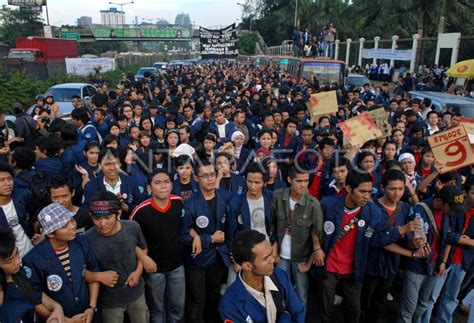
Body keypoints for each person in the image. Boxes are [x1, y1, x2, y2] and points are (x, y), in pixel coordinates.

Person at [316, 170, 410, 323]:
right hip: (329, 268)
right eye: (362, 191)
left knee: (354, 310)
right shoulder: (328, 204)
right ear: (348, 189)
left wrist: (401, 230)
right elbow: (314, 228)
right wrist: (316, 248)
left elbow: (377, 238)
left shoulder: (372, 212)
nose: (367, 196)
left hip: (354, 271)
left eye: (369, 191)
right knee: (325, 309)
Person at [361, 169, 429, 323]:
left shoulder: (405, 208)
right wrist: (404, 234)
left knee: (379, 304)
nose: (397, 193)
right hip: (370, 265)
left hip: (391, 266)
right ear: (383, 188)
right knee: (363, 304)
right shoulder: (371, 208)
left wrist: (415, 243)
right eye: (392, 189)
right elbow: (377, 240)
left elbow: (408, 239)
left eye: (400, 189)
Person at [398, 184, 464, 323]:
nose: (453, 211)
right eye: (451, 207)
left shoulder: (448, 215)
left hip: (433, 266)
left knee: (422, 305)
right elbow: (409, 239)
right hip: (416, 266)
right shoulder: (419, 210)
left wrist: (443, 262)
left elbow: (449, 238)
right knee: (408, 309)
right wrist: (413, 244)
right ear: (441, 201)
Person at [22, 203, 100, 321]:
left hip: (87, 315)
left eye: (72, 220)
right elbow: (36, 299)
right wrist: (67, 321)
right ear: (50, 233)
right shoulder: (33, 260)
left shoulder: (83, 243)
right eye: (64, 226)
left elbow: (94, 273)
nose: (72, 226)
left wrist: (91, 307)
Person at [130, 169, 186, 323]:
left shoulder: (178, 202)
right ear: (149, 188)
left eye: (166, 182)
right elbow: (129, 238)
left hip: (177, 266)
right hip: (154, 269)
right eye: (157, 183)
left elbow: (184, 227)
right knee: (157, 310)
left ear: (171, 185)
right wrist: (143, 258)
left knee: (177, 308)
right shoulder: (141, 210)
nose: (163, 186)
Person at [180, 160, 233, 323]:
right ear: (196, 178)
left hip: (220, 258)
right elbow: (183, 235)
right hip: (198, 259)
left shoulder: (227, 197)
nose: (210, 179)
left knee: (214, 295)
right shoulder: (189, 204)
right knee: (197, 299)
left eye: (212, 174)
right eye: (205, 175)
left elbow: (234, 228)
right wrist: (209, 238)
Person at [86, 191, 149, 323]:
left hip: (136, 294)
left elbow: (143, 249)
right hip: (109, 301)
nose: (102, 224)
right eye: (97, 219)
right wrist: (99, 277)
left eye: (108, 218)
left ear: (118, 214)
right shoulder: (86, 239)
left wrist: (138, 272)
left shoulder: (133, 227)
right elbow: (80, 271)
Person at [219, 230, 305, 323]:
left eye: (271, 254)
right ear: (247, 266)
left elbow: (298, 313)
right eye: (266, 258)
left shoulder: (280, 276)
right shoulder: (230, 305)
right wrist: (285, 317)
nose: (272, 260)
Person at [271, 166, 324, 313]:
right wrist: (274, 249)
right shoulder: (278, 196)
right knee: (281, 292)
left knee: (302, 296)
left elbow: (317, 237)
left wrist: (308, 262)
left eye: (306, 181)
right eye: (299, 181)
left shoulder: (313, 204)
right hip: (281, 256)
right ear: (289, 180)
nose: (303, 185)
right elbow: (273, 225)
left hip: (301, 258)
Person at [0, 227, 65, 323]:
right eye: (9, 261)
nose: (17, 261)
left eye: (17, 254)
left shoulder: (21, 273)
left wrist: (58, 308)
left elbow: (37, 296)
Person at [227, 162, 273, 284]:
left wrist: (275, 247)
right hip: (244, 253)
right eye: (249, 181)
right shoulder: (236, 203)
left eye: (257, 183)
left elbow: (275, 225)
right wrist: (236, 260)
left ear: (265, 183)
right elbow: (231, 233)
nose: (252, 186)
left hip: (265, 252)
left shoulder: (271, 199)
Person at [82, 147, 142, 219]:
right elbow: (86, 211)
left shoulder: (131, 182)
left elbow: (139, 208)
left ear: (120, 164)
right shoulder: (91, 186)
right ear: (100, 165)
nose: (112, 168)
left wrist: (125, 206)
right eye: (107, 164)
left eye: (115, 163)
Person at [0, 162, 37, 258]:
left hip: (31, 252)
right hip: (8, 259)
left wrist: (38, 234)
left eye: (9, 179)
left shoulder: (23, 195)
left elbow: (35, 217)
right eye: (1, 180)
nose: (8, 183)